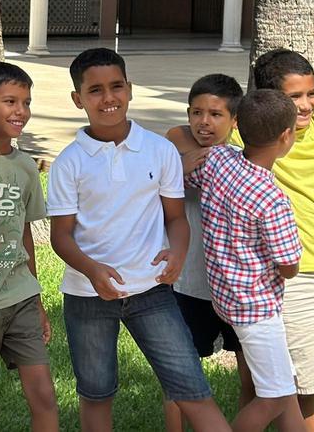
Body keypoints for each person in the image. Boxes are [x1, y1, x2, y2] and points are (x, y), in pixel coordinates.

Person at [48, 47, 228, 431]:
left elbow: (176, 218)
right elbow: (61, 237)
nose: (108, 97)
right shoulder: (70, 162)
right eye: (95, 90)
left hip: (152, 291)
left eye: (116, 86)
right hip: (87, 295)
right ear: (78, 99)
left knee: (191, 387)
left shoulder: (159, 150)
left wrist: (178, 252)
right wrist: (92, 270)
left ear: (129, 89)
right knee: (96, 394)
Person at [190, 89, 306, 432]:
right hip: (257, 310)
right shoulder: (272, 199)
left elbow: (189, 173)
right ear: (287, 136)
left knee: (281, 387)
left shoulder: (218, 160)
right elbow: (289, 265)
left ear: (237, 126)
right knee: (274, 394)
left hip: (227, 299)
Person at [0, 62, 58, 432]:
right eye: (9, 101)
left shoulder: (24, 167)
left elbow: (25, 234)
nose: (20, 111)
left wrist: (36, 299)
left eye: (26, 102)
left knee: (44, 394)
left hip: (19, 296)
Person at [163, 73, 250, 431]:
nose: (204, 122)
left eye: (216, 114)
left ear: (235, 122)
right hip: (188, 285)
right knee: (178, 380)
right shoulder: (173, 154)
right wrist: (180, 165)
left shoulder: (242, 160)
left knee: (251, 376)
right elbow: (174, 134)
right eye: (197, 113)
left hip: (237, 288)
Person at [247, 49, 314, 431]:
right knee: (299, 388)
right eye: (295, 97)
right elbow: (185, 134)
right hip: (299, 275)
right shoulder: (255, 135)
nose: (307, 104)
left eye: (312, 92)